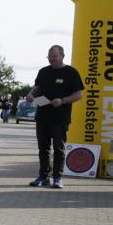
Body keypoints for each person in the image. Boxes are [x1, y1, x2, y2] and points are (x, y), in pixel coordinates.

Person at [25, 45, 84, 188]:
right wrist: (31, 94)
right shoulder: (43, 71)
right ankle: (43, 176)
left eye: (54, 56)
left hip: (60, 118)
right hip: (43, 116)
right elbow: (37, 87)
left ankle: (57, 177)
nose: (51, 59)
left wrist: (62, 100)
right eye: (49, 56)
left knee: (59, 148)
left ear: (62, 56)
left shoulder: (71, 72)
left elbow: (78, 95)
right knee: (43, 148)